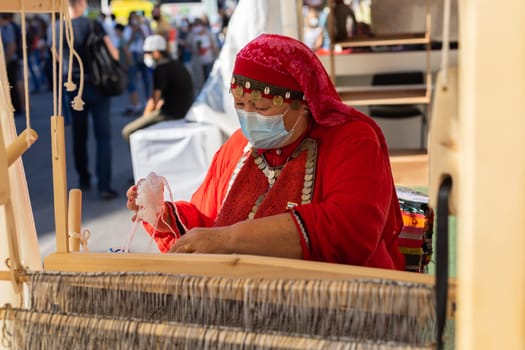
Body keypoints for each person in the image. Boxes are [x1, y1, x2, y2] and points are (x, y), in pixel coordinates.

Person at [126, 34, 405, 270]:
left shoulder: (351, 139)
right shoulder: (239, 146)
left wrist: (228, 240)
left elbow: (349, 228)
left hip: (341, 300)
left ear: (304, 103)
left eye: (261, 108)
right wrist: (162, 215)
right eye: (240, 105)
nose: (249, 117)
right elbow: (207, 219)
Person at [63, 0, 120, 199]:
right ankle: (104, 185)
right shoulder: (92, 24)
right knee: (103, 137)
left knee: (79, 135)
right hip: (97, 85)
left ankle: (84, 179)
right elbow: (113, 51)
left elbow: (54, 59)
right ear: (80, 3)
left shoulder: (57, 27)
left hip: (73, 87)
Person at [121, 35, 194, 145]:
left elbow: (154, 100)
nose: (146, 56)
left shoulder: (160, 69)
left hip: (171, 114)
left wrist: (145, 118)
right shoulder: (176, 64)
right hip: (184, 111)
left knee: (127, 132)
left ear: (156, 53)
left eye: (148, 53)